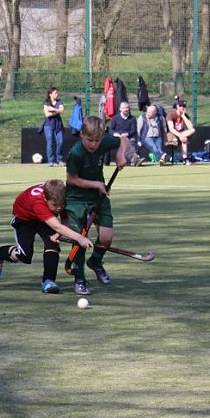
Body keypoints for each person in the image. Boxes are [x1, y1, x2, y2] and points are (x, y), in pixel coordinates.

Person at [64, 116, 131, 295]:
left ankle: (95, 261)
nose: (93, 144)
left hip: (98, 198)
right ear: (81, 135)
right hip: (76, 199)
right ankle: (79, 278)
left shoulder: (103, 142)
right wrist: (96, 184)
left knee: (107, 236)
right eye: (89, 140)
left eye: (97, 140)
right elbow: (71, 179)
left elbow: (124, 140)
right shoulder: (76, 153)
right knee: (80, 239)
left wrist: (120, 153)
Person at [0, 179, 94, 294]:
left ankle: (48, 281)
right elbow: (57, 226)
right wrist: (80, 238)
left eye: (62, 204)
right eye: (54, 205)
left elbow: (64, 219)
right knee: (25, 256)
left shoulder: (60, 196)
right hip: (24, 218)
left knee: (53, 244)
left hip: (44, 218)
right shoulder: (39, 203)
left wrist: (58, 234)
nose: (59, 208)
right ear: (45, 199)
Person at [166, 98, 195, 165]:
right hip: (171, 135)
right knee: (184, 138)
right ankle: (185, 158)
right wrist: (180, 135)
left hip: (181, 135)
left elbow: (191, 128)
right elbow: (171, 129)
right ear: (177, 106)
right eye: (180, 106)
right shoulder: (171, 114)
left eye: (184, 106)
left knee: (191, 132)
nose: (182, 107)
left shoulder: (184, 115)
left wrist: (183, 116)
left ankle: (185, 158)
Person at [109, 101, 140, 166]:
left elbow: (133, 130)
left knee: (130, 142)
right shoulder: (115, 118)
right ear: (120, 109)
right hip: (117, 137)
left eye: (127, 108)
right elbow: (110, 130)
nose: (126, 109)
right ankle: (134, 159)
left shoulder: (132, 118)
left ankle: (133, 159)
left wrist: (126, 134)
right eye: (124, 108)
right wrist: (116, 134)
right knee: (124, 143)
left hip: (128, 137)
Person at [40, 87, 65, 166]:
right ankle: (51, 161)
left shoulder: (59, 101)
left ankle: (59, 160)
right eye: (55, 93)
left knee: (60, 142)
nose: (57, 94)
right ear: (50, 94)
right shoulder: (46, 102)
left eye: (57, 93)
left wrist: (53, 109)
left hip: (58, 125)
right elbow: (47, 114)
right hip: (48, 125)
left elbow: (62, 110)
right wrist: (57, 111)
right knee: (50, 143)